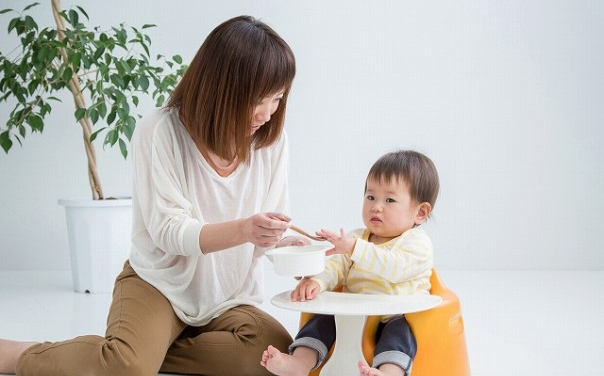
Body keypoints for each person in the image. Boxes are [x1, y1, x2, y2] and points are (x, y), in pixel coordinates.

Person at [0, 15, 307, 376]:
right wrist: (245, 230)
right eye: (258, 99)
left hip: (226, 298)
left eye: (277, 99)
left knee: (275, 355)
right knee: (126, 368)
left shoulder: (271, 143)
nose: (267, 114)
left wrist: (289, 245)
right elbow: (170, 232)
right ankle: (21, 355)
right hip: (158, 284)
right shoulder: (160, 132)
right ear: (222, 89)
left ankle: (144, 347)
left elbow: (266, 232)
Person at [260, 150, 440, 376]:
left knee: (398, 337)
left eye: (390, 200)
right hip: (351, 313)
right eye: (371, 197)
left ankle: (388, 373)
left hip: (395, 313)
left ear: (421, 212)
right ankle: (299, 363)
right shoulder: (358, 238)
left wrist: (355, 248)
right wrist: (318, 281)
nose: (376, 206)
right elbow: (336, 267)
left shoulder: (417, 243)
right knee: (320, 321)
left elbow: (394, 267)